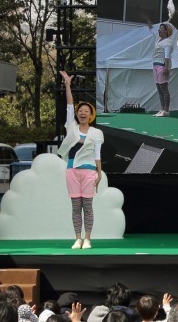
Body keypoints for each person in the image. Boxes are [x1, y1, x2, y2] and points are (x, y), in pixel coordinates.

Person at [58, 70, 104, 250]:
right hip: (72, 171)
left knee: (88, 206)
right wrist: (68, 85)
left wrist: (99, 174)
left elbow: (97, 155)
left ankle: (87, 238)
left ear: (91, 115)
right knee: (76, 206)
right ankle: (77, 238)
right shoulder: (72, 127)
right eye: (80, 111)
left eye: (86, 111)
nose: (82, 113)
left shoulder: (96, 133)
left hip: (89, 171)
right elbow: (70, 104)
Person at [152, 23, 174, 117]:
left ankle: (166, 110)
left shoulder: (168, 42)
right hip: (155, 65)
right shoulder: (158, 41)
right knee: (159, 88)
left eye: (161, 28)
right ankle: (161, 109)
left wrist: (166, 68)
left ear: (166, 31)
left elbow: (167, 56)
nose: (159, 30)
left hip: (162, 65)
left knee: (164, 88)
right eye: (159, 28)